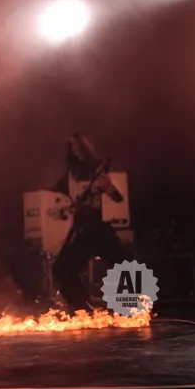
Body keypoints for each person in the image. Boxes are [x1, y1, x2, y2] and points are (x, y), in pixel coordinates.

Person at [50, 132, 126, 313]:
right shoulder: (70, 175)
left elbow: (117, 198)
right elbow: (54, 194)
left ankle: (133, 306)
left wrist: (108, 188)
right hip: (81, 231)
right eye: (72, 148)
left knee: (123, 266)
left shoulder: (98, 169)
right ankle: (82, 310)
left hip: (98, 228)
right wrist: (61, 208)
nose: (75, 151)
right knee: (61, 269)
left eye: (77, 147)